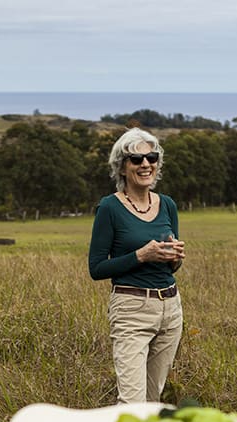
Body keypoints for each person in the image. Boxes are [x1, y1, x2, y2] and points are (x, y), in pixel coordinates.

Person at [88, 128, 185, 404]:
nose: (146, 164)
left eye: (151, 158)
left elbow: (171, 266)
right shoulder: (109, 208)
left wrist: (174, 257)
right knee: (132, 402)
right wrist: (140, 255)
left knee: (154, 401)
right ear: (122, 167)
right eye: (136, 159)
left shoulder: (167, 205)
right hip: (131, 310)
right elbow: (96, 268)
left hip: (170, 308)